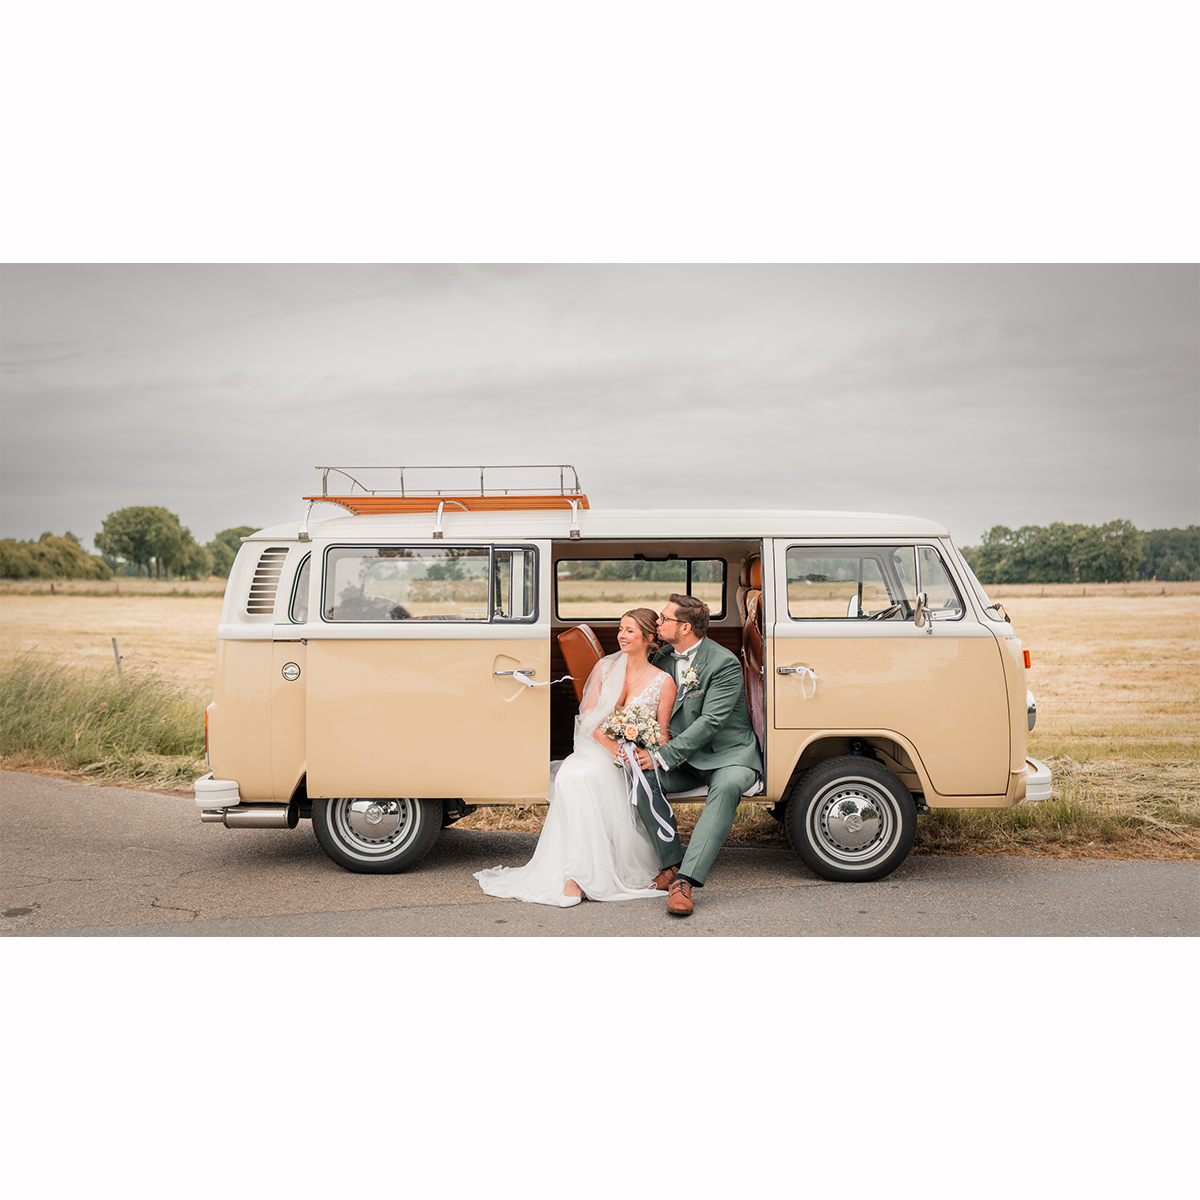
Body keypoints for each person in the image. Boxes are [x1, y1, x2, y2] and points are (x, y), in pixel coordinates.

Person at [473, 608, 680, 907]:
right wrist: (612, 747)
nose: (621, 635)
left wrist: (642, 751)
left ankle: (579, 878)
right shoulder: (606, 668)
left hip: (631, 759)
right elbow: (588, 717)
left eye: (630, 630)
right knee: (571, 777)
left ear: (649, 638)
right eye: (620, 628)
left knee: (584, 780)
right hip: (595, 748)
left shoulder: (664, 682)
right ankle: (573, 875)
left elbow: (662, 734)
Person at [631, 593, 762, 917]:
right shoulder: (662, 658)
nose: (658, 623)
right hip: (687, 760)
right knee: (641, 776)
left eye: (664, 619)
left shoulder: (724, 662)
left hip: (729, 755)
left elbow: (712, 721)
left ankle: (685, 882)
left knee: (727, 786)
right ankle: (671, 863)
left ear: (685, 626)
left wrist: (664, 755)